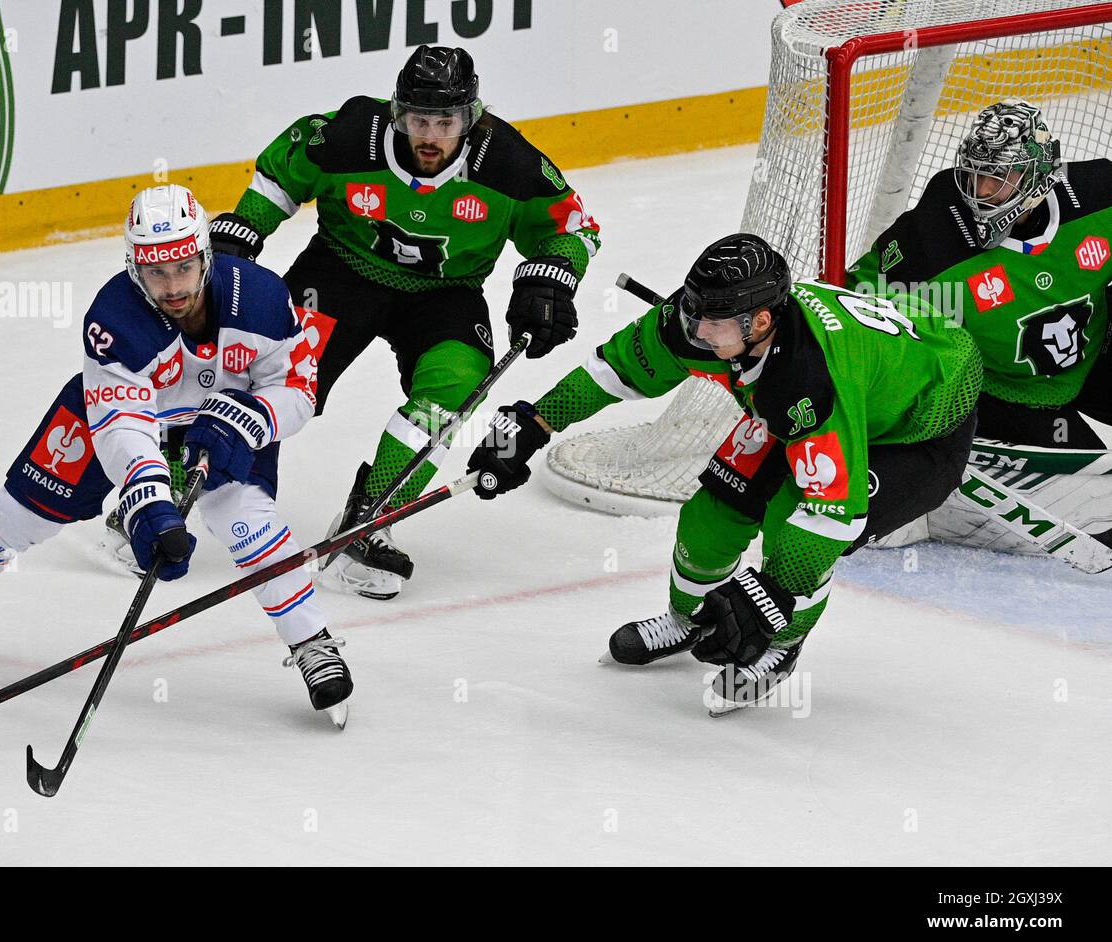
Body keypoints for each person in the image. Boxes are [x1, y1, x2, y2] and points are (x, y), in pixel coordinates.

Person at [0, 185, 353, 726]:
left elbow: (299, 389)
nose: (173, 286)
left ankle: (311, 642)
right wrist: (149, 503)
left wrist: (250, 419)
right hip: (114, 419)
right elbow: (122, 426)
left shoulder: (260, 297)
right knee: (16, 515)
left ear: (205, 257)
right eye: (157, 271)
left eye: (184, 267)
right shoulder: (115, 315)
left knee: (248, 524)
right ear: (135, 266)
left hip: (221, 426)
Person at [467, 234, 982, 714]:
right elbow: (613, 371)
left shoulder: (805, 377)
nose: (696, 332)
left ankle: (782, 645)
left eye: (713, 324)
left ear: (759, 323)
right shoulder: (696, 318)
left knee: (791, 526)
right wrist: (532, 423)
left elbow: (831, 513)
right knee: (710, 517)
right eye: (693, 313)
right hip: (834, 397)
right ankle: (685, 621)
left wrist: (771, 598)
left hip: (920, 427)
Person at [209, 44, 601, 600]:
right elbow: (282, 173)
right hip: (340, 272)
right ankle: (176, 487)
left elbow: (576, 226)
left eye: (446, 121)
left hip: (445, 295)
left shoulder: (509, 162)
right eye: (419, 118)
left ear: (470, 118)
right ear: (398, 113)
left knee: (456, 383)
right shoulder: (350, 134)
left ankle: (370, 518)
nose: (431, 135)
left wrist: (553, 274)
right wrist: (246, 226)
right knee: (269, 372)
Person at [849, 99, 1112, 450]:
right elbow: (858, 297)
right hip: (996, 394)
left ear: (1036, 175)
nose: (981, 190)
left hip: (1096, 362)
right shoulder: (934, 235)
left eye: (998, 177)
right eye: (975, 172)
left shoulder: (1099, 196)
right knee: (1085, 465)